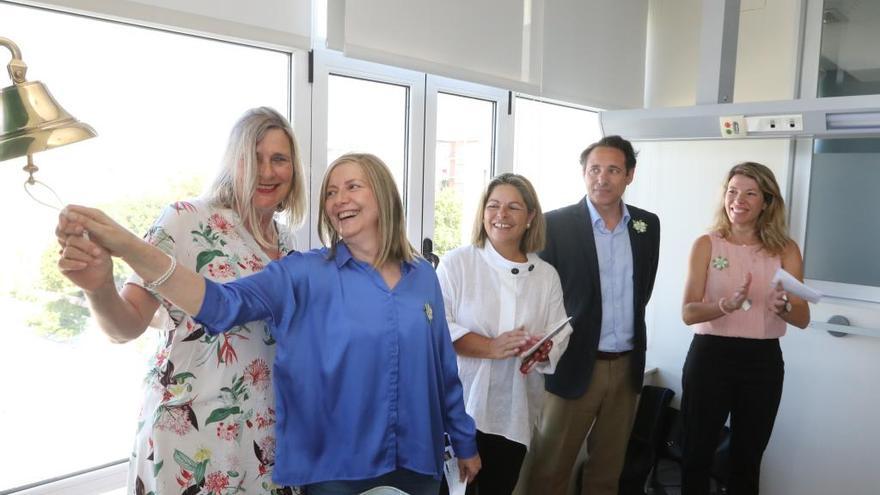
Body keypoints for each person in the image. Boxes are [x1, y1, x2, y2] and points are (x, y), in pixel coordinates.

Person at [57, 153, 481, 495]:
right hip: (337, 472)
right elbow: (221, 304)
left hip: (419, 463)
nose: (339, 199)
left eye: (353, 186)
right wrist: (129, 247)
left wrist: (464, 442)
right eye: (331, 192)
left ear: (385, 196)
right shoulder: (302, 273)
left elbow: (443, 369)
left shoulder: (422, 275)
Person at [55, 107, 307, 494]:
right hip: (191, 437)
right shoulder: (185, 220)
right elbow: (126, 326)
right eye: (253, 158)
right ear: (232, 162)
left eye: (279, 159)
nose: (268, 172)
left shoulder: (290, 245)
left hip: (265, 440)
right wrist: (99, 287)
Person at [519, 135, 660, 495]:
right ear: (583, 173)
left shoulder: (646, 225)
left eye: (613, 170)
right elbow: (537, 294)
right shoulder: (556, 224)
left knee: (606, 473)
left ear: (629, 175)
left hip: (626, 367)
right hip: (573, 365)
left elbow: (642, 289)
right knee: (549, 472)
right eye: (594, 169)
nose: (602, 178)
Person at [436, 173, 572, 495]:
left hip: (514, 414)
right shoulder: (458, 264)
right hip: (461, 409)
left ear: (530, 217)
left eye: (513, 207)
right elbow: (437, 329)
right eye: (494, 205)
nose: (501, 215)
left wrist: (545, 349)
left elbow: (561, 330)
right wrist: (491, 347)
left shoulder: (545, 275)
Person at [680, 162, 809, 495]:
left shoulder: (786, 249)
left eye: (750, 193)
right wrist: (724, 306)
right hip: (710, 356)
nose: (739, 200)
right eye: (733, 191)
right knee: (696, 453)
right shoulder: (706, 244)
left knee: (747, 458)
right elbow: (688, 312)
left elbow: (803, 317)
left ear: (766, 202)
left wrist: (785, 308)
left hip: (762, 361)